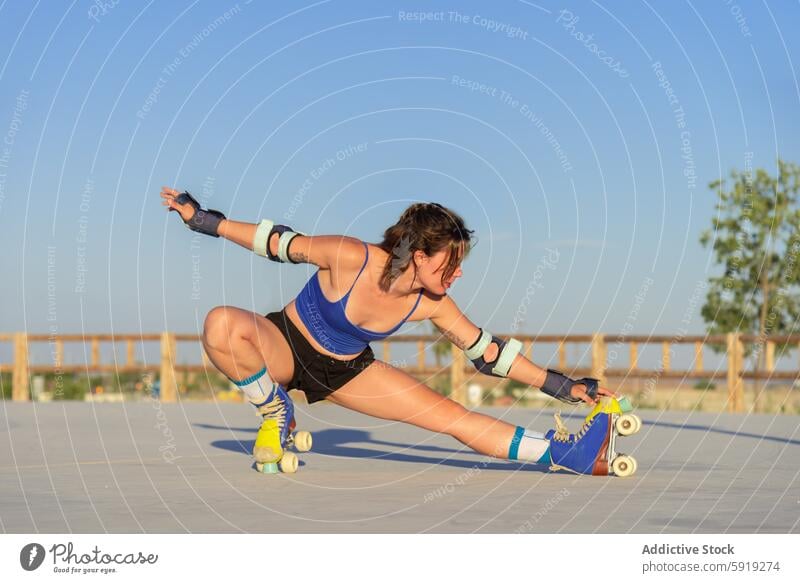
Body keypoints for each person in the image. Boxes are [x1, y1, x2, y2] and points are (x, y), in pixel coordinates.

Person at [160, 186, 619, 475]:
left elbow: (489, 355)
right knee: (220, 323)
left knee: (452, 418)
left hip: (347, 371)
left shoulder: (433, 304)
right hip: (284, 344)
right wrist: (204, 221)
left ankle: (566, 455)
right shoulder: (350, 256)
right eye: (451, 263)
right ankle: (274, 411)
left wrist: (562, 385)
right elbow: (276, 243)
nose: (457, 274)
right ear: (420, 256)